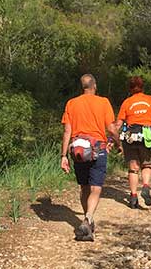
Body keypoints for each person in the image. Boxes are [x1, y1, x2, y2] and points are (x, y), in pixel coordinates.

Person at [60, 74, 119, 242]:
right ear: (95, 86)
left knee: (84, 187)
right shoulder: (103, 102)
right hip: (97, 148)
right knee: (96, 188)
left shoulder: (71, 103)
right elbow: (111, 128)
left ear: (82, 87)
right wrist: (118, 143)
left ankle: (88, 222)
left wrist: (63, 155)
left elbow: (67, 131)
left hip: (78, 150)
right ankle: (88, 218)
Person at [116, 76, 151, 209]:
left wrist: (112, 139)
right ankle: (145, 186)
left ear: (130, 89)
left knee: (133, 168)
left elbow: (119, 123)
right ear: (142, 87)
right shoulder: (150, 100)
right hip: (146, 135)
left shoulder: (127, 102)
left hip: (131, 136)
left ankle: (133, 197)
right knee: (146, 165)